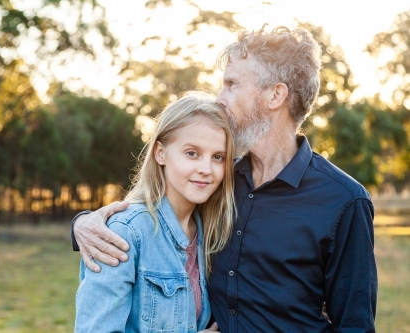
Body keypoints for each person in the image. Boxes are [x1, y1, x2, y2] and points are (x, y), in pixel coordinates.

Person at [72, 26, 378, 332]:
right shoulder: (218, 180)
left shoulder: (344, 201)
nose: (219, 98)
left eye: (231, 84)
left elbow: (355, 323)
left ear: (275, 94)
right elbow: (154, 221)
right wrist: (82, 224)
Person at [74, 91, 236, 332]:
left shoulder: (210, 234)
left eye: (218, 157)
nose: (206, 169)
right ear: (160, 152)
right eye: (192, 153)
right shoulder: (126, 233)